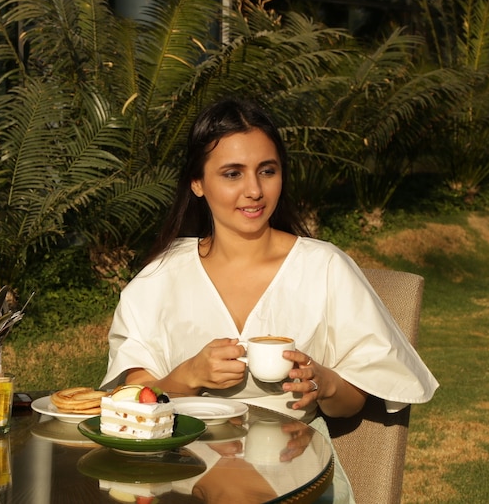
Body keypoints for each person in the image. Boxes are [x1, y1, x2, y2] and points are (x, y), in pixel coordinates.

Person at [101, 97, 438, 500]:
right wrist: (189, 376)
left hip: (297, 473)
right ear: (197, 183)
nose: (254, 191)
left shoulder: (324, 268)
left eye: (267, 171)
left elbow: (356, 399)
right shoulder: (161, 277)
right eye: (232, 174)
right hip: (180, 472)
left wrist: (325, 384)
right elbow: (136, 401)